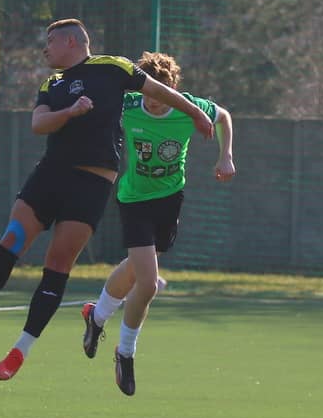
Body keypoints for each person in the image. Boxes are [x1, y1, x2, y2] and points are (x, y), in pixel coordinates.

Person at [0, 19, 214, 381]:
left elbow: (161, 90)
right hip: (50, 174)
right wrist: (69, 112)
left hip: (91, 184)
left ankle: (20, 351)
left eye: (50, 41)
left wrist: (197, 113)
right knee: (11, 241)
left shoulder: (114, 67)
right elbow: (39, 124)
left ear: (70, 41)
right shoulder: (52, 83)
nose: (44, 49)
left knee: (58, 263)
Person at [79, 51, 235, 396]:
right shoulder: (129, 105)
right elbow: (95, 103)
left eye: (160, 93)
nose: (153, 100)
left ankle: (96, 316)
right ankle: (125, 354)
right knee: (147, 283)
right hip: (134, 199)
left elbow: (223, 116)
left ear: (172, 89)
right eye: (148, 91)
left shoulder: (189, 108)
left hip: (169, 199)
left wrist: (225, 155)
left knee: (135, 270)